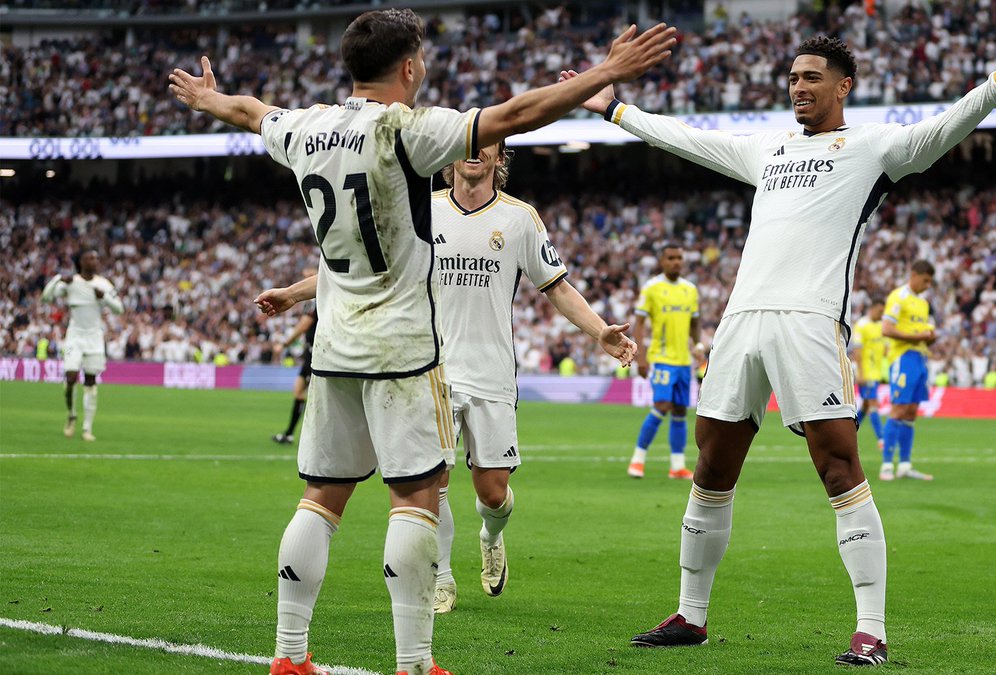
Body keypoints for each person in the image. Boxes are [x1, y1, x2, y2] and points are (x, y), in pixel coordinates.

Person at [169, 8, 676, 675]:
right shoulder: (408, 129)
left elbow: (249, 110)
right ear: (409, 67)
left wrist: (208, 99)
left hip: (335, 347)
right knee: (418, 495)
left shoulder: (305, 125)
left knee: (320, 498)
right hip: (404, 344)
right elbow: (515, 116)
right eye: (424, 60)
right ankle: (414, 661)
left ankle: (289, 655)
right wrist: (607, 73)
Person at [561, 21, 996, 666]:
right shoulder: (771, 149)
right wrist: (617, 109)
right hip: (741, 322)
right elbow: (691, 140)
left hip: (810, 322)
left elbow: (941, 132)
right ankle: (691, 615)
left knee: (838, 466)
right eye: (792, 78)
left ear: (844, 86)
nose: (799, 87)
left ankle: (870, 629)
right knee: (711, 468)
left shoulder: (873, 147)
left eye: (812, 77)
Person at [429, 141, 637, 613]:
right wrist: (301, 295)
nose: (475, 151)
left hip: (492, 373)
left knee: (494, 494)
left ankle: (491, 536)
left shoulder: (521, 218)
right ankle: (440, 576)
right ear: (451, 157)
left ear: (500, 159)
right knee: (432, 481)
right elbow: (371, 267)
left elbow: (557, 287)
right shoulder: (424, 210)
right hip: (433, 370)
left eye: (487, 145)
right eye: (466, 143)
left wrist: (600, 330)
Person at [627, 243, 703, 480]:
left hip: (683, 361)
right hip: (661, 359)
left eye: (679, 257)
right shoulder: (652, 288)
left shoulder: (690, 290)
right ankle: (637, 460)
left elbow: (695, 322)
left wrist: (698, 346)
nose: (676, 262)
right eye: (671, 258)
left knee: (680, 411)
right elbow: (639, 323)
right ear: (662, 261)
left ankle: (677, 466)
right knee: (662, 406)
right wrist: (639, 355)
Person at [41, 249, 124, 442]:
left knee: (90, 381)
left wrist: (104, 297)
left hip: (95, 338)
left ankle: (87, 428)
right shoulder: (72, 283)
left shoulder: (103, 284)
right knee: (70, 376)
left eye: (96, 258)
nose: (94, 261)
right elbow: (45, 298)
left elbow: (119, 308)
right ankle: (71, 414)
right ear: (81, 262)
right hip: (73, 338)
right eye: (89, 258)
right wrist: (58, 279)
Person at [880, 260, 937, 482]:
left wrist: (929, 338)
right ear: (913, 274)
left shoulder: (923, 303)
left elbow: (920, 333)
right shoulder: (898, 296)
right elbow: (887, 328)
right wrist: (918, 336)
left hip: (920, 357)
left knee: (912, 411)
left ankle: (904, 465)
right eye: (925, 280)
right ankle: (886, 465)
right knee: (899, 409)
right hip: (902, 359)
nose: (927, 285)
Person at [272, 299, 317, 444]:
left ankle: (316, 438)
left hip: (317, 354)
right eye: (305, 273)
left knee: (318, 398)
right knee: (298, 391)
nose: (306, 274)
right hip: (310, 353)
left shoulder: (316, 300)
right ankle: (290, 434)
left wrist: (285, 344)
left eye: (309, 273)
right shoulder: (312, 301)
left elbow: (304, 326)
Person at [851, 298, 887, 449]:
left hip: (876, 372)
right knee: (873, 404)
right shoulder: (862, 325)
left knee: (866, 406)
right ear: (872, 309)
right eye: (880, 311)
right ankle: (882, 439)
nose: (882, 314)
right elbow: (857, 350)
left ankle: (850, 431)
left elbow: (885, 349)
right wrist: (860, 373)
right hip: (866, 373)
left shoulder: (881, 325)